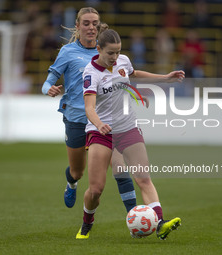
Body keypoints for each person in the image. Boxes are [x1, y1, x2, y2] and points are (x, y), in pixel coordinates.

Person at [76, 28, 184, 239]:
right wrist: (99, 124)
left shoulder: (123, 61)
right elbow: (89, 108)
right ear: (98, 49)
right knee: (96, 189)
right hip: (101, 132)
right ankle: (87, 221)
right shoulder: (91, 73)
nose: (115, 58)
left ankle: (160, 223)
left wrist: (165, 78)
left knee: (143, 177)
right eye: (110, 53)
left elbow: (133, 76)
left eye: (118, 52)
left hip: (127, 126)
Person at [41, 7, 137, 213]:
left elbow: (126, 73)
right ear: (77, 26)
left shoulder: (106, 50)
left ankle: (134, 216)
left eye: (95, 23)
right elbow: (48, 81)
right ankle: (72, 184)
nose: (91, 27)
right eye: (86, 23)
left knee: (120, 170)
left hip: (105, 121)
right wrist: (48, 88)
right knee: (77, 172)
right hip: (76, 119)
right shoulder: (67, 52)